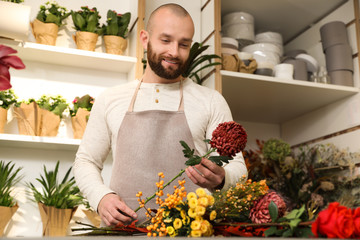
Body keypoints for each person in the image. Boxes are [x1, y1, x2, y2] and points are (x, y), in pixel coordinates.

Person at [73, 3, 247, 226]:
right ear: (145, 39)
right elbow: (85, 161)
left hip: (190, 232)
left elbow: (239, 170)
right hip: (122, 232)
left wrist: (223, 179)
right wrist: (101, 197)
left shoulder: (211, 101)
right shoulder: (110, 99)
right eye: (165, 40)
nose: (174, 52)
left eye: (183, 44)